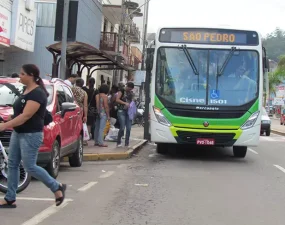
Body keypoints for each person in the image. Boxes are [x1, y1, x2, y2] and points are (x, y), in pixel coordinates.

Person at [0, 64, 66, 208]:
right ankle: (10, 197)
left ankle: (57, 187)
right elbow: (19, 113)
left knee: (30, 167)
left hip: (31, 135)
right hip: (18, 133)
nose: (20, 76)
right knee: (12, 164)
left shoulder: (37, 93)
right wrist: (6, 118)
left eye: (22, 74)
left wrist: (4, 126)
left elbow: (26, 116)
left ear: (31, 75)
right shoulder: (26, 90)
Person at [116, 82, 135, 147]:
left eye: (131, 89)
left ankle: (127, 143)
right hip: (121, 111)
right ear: (127, 86)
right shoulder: (121, 91)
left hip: (128, 112)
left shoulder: (131, 93)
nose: (130, 90)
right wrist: (124, 103)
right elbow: (117, 100)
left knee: (129, 128)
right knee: (122, 127)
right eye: (129, 88)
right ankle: (118, 142)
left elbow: (132, 101)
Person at [72, 78, 88, 145]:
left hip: (71, 108)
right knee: (78, 126)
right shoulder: (84, 93)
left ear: (76, 83)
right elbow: (85, 105)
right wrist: (85, 116)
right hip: (79, 111)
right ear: (82, 84)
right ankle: (78, 140)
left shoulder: (71, 89)